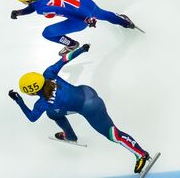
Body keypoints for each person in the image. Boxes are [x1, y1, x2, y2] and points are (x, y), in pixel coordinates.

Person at [8, 44, 151, 174]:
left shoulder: (42, 103)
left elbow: (32, 118)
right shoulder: (49, 73)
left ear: (31, 93)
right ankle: (70, 135)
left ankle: (140, 154)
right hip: (86, 92)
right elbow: (65, 58)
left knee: (113, 135)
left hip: (90, 108)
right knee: (52, 114)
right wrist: (81, 49)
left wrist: (19, 101)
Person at [11, 0, 136, 55]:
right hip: (84, 1)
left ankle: (71, 44)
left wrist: (86, 19)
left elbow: (64, 10)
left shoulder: (41, 8)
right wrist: (20, 12)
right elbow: (34, 4)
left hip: (79, 17)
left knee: (47, 33)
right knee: (103, 14)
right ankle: (124, 21)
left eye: (22, 0)